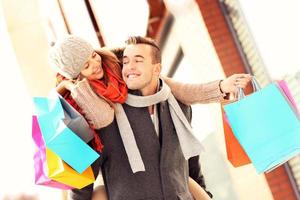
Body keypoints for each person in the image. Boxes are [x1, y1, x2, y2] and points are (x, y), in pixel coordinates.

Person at [50, 35, 250, 200]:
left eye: (138, 60)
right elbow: (82, 182)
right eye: (126, 62)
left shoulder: (177, 105)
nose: (130, 67)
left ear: (157, 68)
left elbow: (189, 164)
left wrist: (205, 194)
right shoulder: (98, 119)